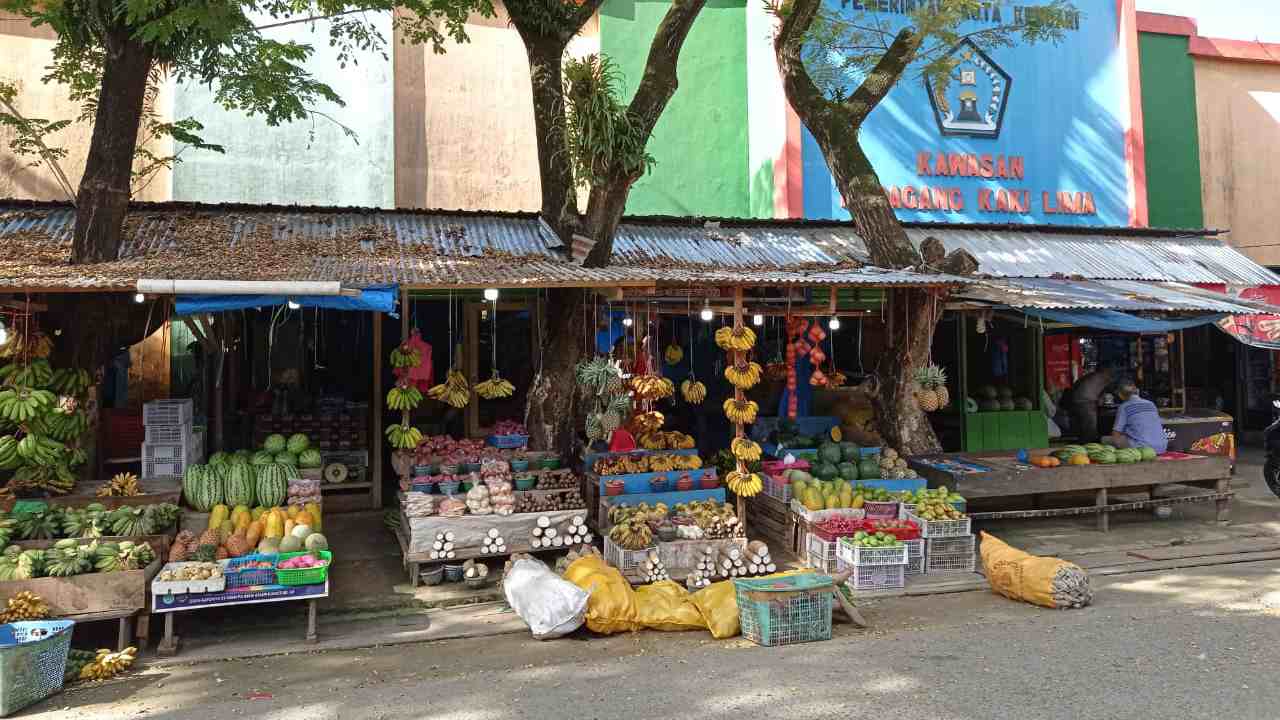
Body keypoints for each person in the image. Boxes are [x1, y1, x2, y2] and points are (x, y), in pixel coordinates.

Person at [1107, 382, 1168, 454]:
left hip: (1143, 449)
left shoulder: (1124, 407)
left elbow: (1116, 433)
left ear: (1120, 395)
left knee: (1105, 440)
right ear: (1137, 391)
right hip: (1162, 447)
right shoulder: (1151, 404)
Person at [1067, 367, 1115, 442]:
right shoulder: (1105, 377)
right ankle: (1089, 444)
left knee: (1083, 426)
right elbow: (1106, 393)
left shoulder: (1092, 375)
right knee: (1090, 428)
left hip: (1076, 399)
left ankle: (1083, 442)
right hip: (1084, 401)